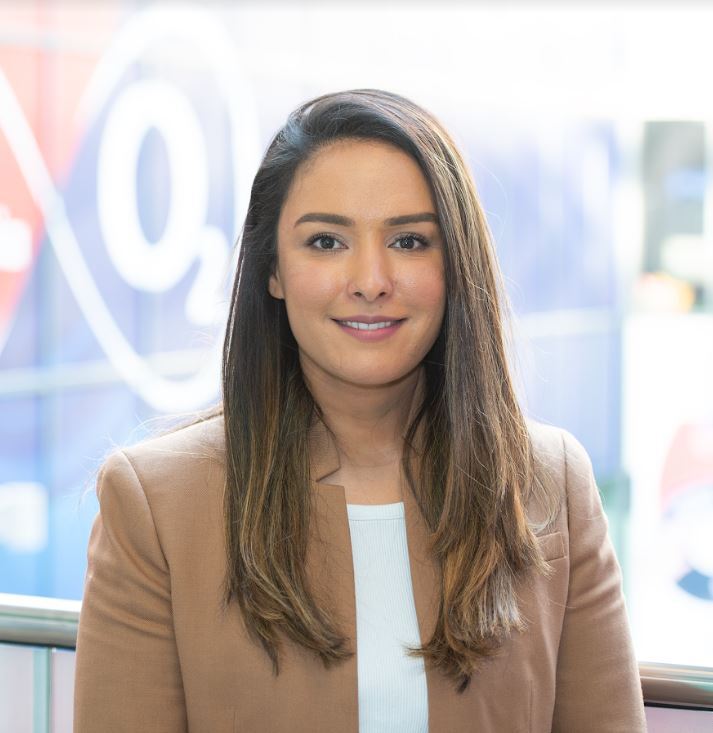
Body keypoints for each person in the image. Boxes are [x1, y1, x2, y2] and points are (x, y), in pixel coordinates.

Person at [73, 89, 647, 732]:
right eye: (326, 241)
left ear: (456, 266)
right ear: (272, 271)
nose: (371, 280)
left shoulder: (552, 481)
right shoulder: (155, 503)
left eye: (409, 240)